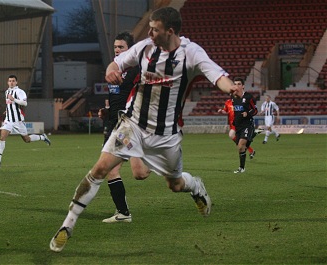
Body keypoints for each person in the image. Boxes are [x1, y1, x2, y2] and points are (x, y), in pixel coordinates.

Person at [49, 6, 237, 252]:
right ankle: (67, 225)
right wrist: (111, 72)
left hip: (165, 136)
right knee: (100, 169)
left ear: (170, 31)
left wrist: (230, 88)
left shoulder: (191, 53)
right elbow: (114, 65)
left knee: (175, 185)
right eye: (149, 27)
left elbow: (217, 75)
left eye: (155, 29)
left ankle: (196, 187)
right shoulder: (144, 48)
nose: (149, 32)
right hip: (133, 126)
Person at [97, 31, 140, 223]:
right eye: (115, 47)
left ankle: (123, 213)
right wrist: (106, 110)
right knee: (113, 170)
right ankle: (122, 213)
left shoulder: (136, 69)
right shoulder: (114, 69)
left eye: (121, 47)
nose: (117, 50)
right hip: (112, 122)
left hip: (126, 124)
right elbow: (116, 96)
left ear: (130, 49)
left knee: (114, 168)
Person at [0, 74, 50, 167]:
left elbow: (24, 103)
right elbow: (10, 104)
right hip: (8, 120)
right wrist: (8, 110)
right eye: (10, 81)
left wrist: (14, 99)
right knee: (2, 138)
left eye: (13, 81)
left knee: (27, 139)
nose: (11, 82)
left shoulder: (19, 91)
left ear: (16, 82)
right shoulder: (7, 92)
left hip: (18, 121)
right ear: (7, 82)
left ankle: (42, 137)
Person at [231, 77, 258, 173]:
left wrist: (248, 113)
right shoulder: (233, 97)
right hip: (238, 125)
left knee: (241, 145)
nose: (237, 86)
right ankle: (253, 135)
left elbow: (255, 110)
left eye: (239, 84)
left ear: (243, 86)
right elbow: (235, 111)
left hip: (247, 124)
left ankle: (241, 168)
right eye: (235, 84)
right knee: (241, 147)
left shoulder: (248, 97)